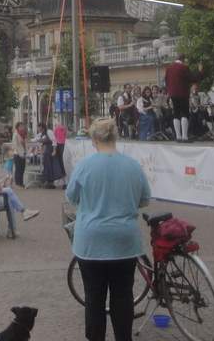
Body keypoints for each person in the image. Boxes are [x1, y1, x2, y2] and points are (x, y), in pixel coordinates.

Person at [66, 117, 151, 341]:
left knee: (94, 298)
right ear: (116, 137)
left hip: (91, 242)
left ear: (94, 140)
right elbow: (144, 200)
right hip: (124, 241)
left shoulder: (84, 166)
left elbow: (72, 197)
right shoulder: (133, 166)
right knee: (123, 297)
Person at [164, 55, 194, 143]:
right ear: (183, 59)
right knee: (184, 113)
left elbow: (166, 80)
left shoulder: (168, 68)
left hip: (173, 94)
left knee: (176, 113)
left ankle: (178, 137)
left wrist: (170, 90)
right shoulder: (184, 67)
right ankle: (185, 137)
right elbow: (191, 78)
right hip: (183, 93)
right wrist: (200, 72)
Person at [11, 122, 27, 187]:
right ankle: (18, 183)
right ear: (17, 127)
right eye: (20, 126)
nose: (22, 127)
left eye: (22, 126)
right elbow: (15, 145)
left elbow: (25, 144)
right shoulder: (15, 134)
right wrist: (19, 153)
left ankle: (21, 182)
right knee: (18, 169)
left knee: (22, 169)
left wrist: (26, 152)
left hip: (23, 153)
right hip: (17, 154)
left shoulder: (23, 134)